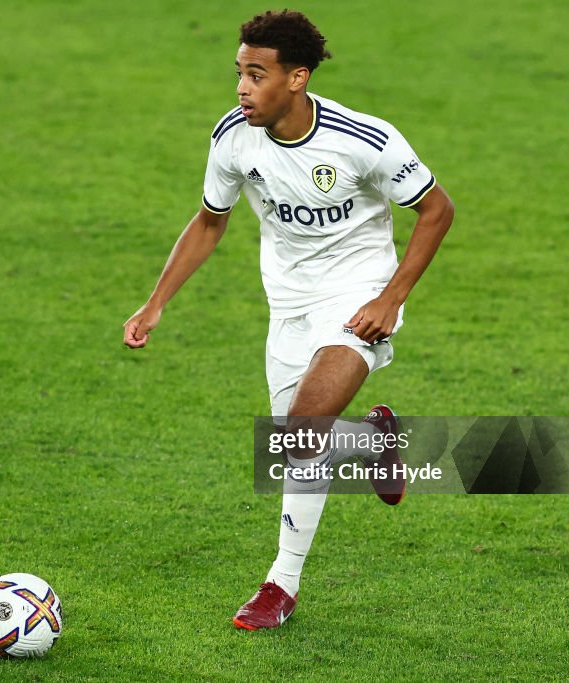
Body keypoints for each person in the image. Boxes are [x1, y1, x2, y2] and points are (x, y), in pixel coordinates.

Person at [122, 9, 454, 631]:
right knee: (297, 446)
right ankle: (373, 441)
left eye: (257, 74)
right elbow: (210, 221)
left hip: (358, 295)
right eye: (239, 74)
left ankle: (281, 585)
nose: (243, 88)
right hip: (288, 304)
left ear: (296, 78)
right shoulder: (232, 138)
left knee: (301, 429)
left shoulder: (365, 139)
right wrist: (156, 300)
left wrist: (390, 299)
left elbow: (437, 210)